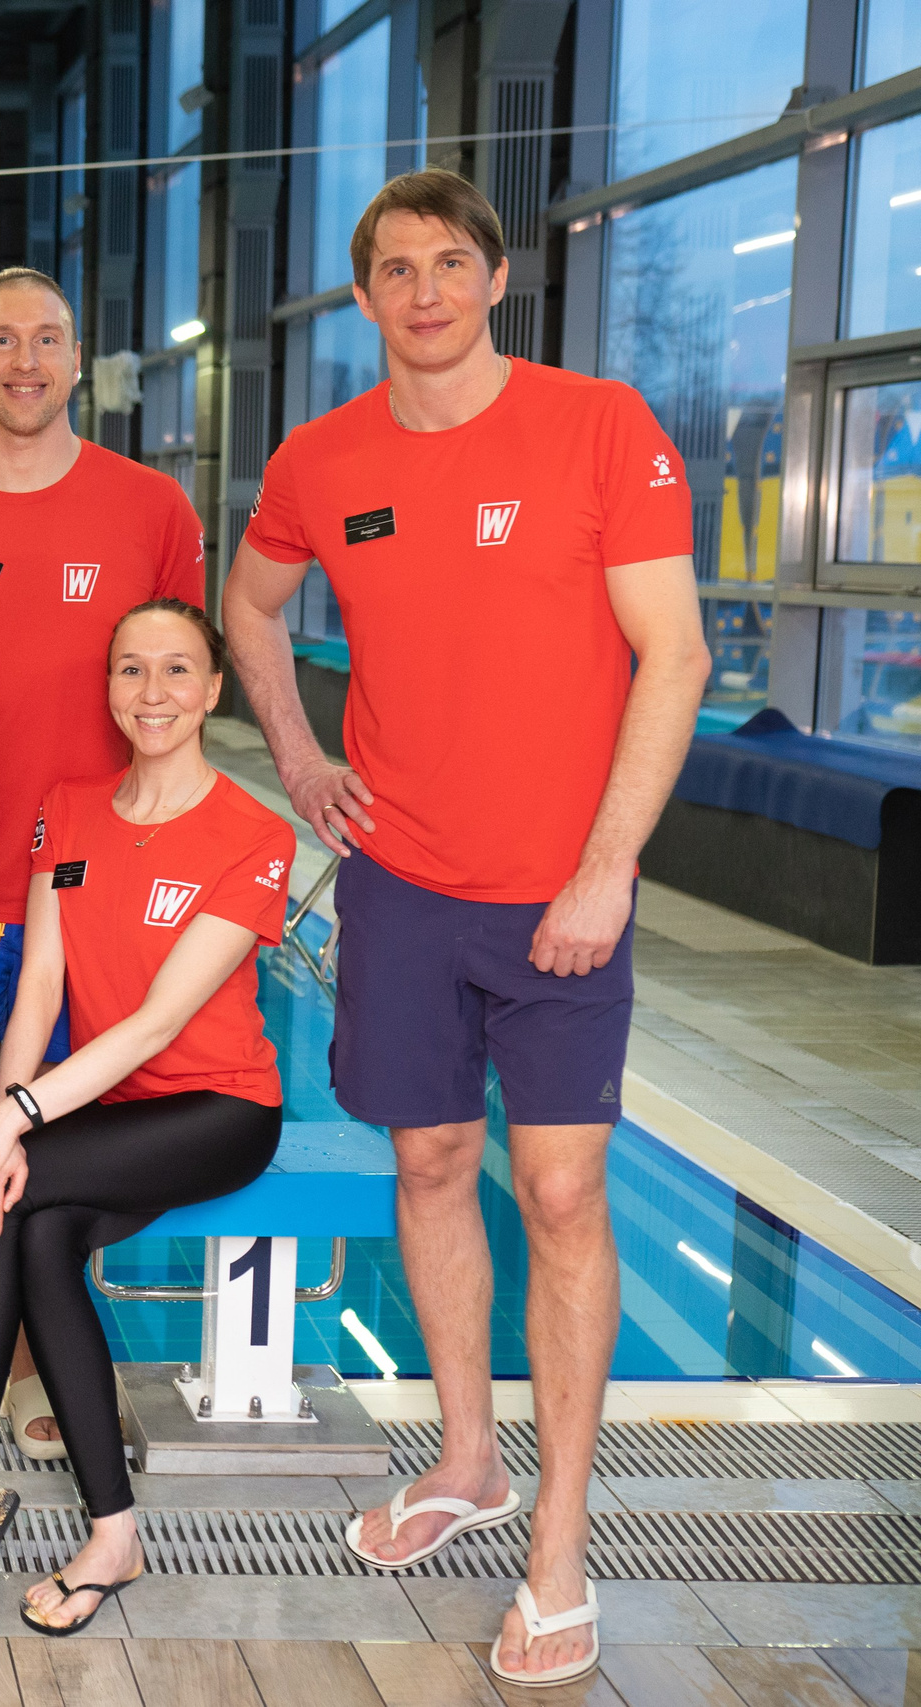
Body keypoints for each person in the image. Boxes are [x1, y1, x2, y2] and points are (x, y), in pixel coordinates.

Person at [222, 169, 706, 1689]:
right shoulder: (321, 458)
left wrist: (608, 868)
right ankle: (469, 1458)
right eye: (394, 268)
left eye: (449, 262)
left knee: (560, 1191)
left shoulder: (599, 425)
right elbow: (250, 605)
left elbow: (677, 655)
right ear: (363, 294)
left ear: (497, 279)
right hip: (403, 884)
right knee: (428, 1161)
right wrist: (300, 759)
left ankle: (558, 1541)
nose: (423, 291)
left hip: (564, 889)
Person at [0, 598, 293, 1633]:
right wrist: (5, 1117)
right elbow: (39, 987)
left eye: (177, 669)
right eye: (131, 669)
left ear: (213, 690)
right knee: (27, 1224)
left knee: (1, 1184)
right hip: (106, 1108)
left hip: (217, 1108)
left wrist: (12, 1122)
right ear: (110, 686)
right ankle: (111, 1533)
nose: (152, 691)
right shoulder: (66, 810)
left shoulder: (252, 835)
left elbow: (161, 1021)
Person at [0, 266, 206, 1457]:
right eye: (0, 340)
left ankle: (46, 1353)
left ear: (77, 360)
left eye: (46, 340)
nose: (24, 361)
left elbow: (184, 692)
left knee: (64, 1146)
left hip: (103, 894)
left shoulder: (150, 509)